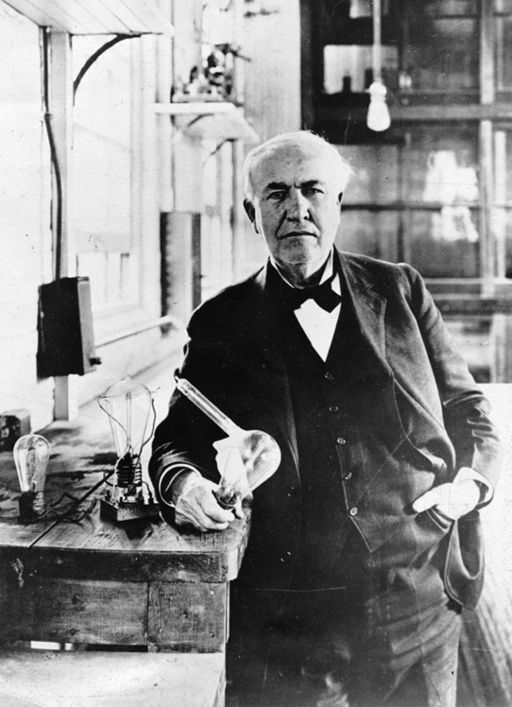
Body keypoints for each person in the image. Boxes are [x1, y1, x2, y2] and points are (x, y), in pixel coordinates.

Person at [149, 131, 502, 706]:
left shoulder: (401, 290)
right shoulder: (220, 321)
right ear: (251, 213)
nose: (297, 209)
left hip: (417, 591)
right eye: (276, 194)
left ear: (337, 203)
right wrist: (184, 484)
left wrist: (471, 485)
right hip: (290, 613)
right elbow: (173, 444)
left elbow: (470, 410)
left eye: (313, 190)